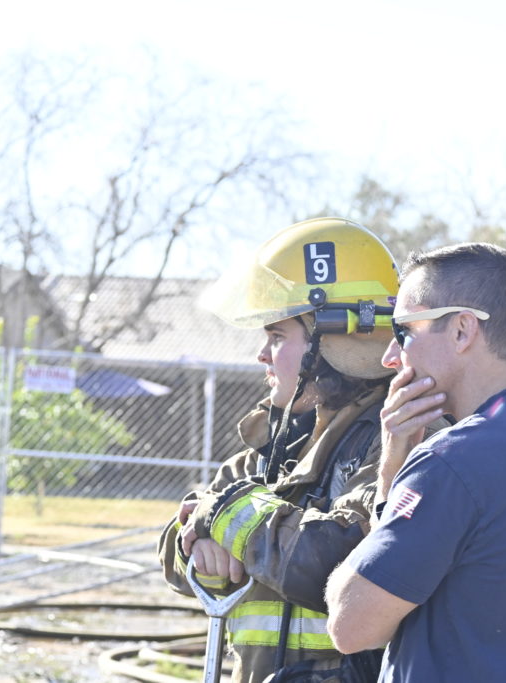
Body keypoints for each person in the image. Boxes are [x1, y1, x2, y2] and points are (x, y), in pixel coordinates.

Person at [159, 217, 435, 683]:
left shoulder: (401, 435)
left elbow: (337, 561)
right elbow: (177, 542)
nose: (261, 356)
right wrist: (199, 552)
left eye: (277, 337)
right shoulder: (271, 445)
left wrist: (225, 515)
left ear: (337, 340)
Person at [325, 243, 506, 683]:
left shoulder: (452, 460)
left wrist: (391, 469)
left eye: (404, 331)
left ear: (462, 330)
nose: (390, 357)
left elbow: (350, 625)